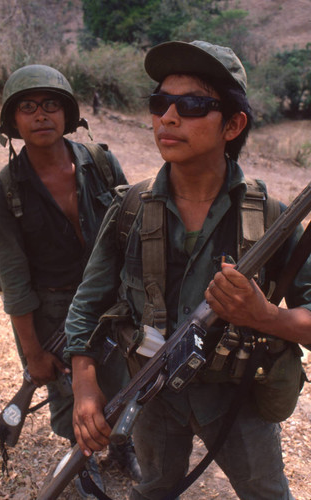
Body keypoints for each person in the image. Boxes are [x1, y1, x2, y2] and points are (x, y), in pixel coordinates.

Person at [64, 41, 311, 499]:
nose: (168, 118)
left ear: (233, 124)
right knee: (155, 487)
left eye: (193, 105)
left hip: (237, 398)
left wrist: (265, 317)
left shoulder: (273, 218)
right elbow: (87, 304)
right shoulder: (130, 209)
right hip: (152, 395)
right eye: (160, 103)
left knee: (266, 492)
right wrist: (84, 384)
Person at [0, 64, 140, 498]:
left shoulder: (102, 163)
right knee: (70, 395)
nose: (40, 115)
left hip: (112, 297)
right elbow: (14, 283)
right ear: (12, 122)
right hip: (53, 312)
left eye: (51, 105)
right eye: (28, 107)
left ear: (68, 114)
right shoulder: (5, 192)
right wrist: (33, 351)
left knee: (126, 377)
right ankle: (81, 462)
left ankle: (123, 446)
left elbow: (132, 225)